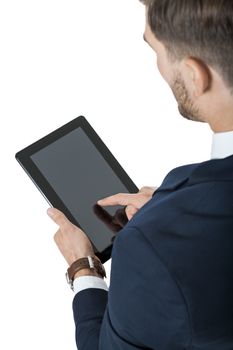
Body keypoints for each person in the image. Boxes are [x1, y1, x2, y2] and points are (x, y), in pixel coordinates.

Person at [47, 0, 233, 349]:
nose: (159, 66)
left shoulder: (153, 246)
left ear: (195, 75)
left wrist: (83, 268)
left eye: (156, 50)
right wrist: (178, 207)